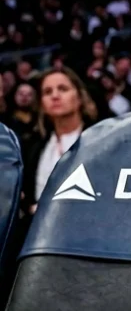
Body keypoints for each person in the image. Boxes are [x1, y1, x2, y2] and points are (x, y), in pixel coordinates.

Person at [22, 70, 99, 216]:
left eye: (63, 89)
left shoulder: (101, 140)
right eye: (47, 92)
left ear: (80, 97)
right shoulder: (32, 148)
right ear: (42, 104)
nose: (55, 96)